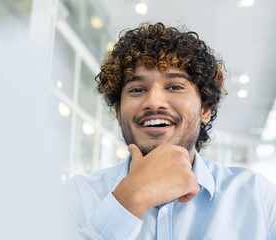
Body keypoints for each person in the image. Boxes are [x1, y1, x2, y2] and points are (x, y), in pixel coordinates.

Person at [66, 22, 276, 239]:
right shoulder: (79, 196)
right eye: (137, 89)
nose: (154, 102)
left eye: (175, 86)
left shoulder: (258, 197)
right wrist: (129, 201)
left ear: (205, 109)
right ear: (119, 113)